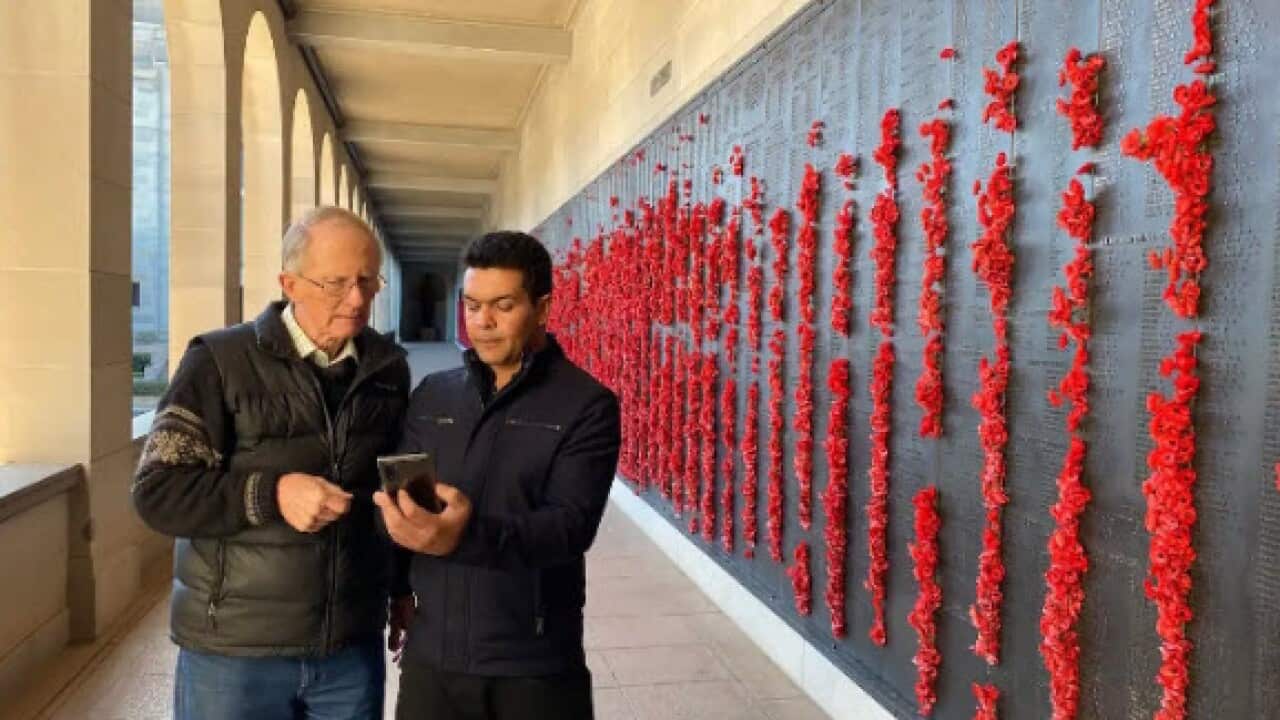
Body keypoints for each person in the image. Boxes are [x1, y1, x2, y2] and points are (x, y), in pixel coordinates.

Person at [132, 206, 410, 719]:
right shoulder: (217, 361)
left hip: (350, 647)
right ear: (290, 282)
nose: (356, 300)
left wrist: (402, 587)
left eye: (368, 283)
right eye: (336, 283)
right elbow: (158, 491)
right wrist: (272, 493)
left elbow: (389, 489)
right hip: (234, 651)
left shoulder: (388, 368)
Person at [376, 230, 621, 720]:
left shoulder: (587, 405)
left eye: (502, 306)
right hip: (433, 657)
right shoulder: (434, 394)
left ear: (543, 308)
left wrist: (462, 535)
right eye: (471, 306)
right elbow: (406, 496)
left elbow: (570, 527)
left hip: (533, 662)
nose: (482, 323)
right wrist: (398, 586)